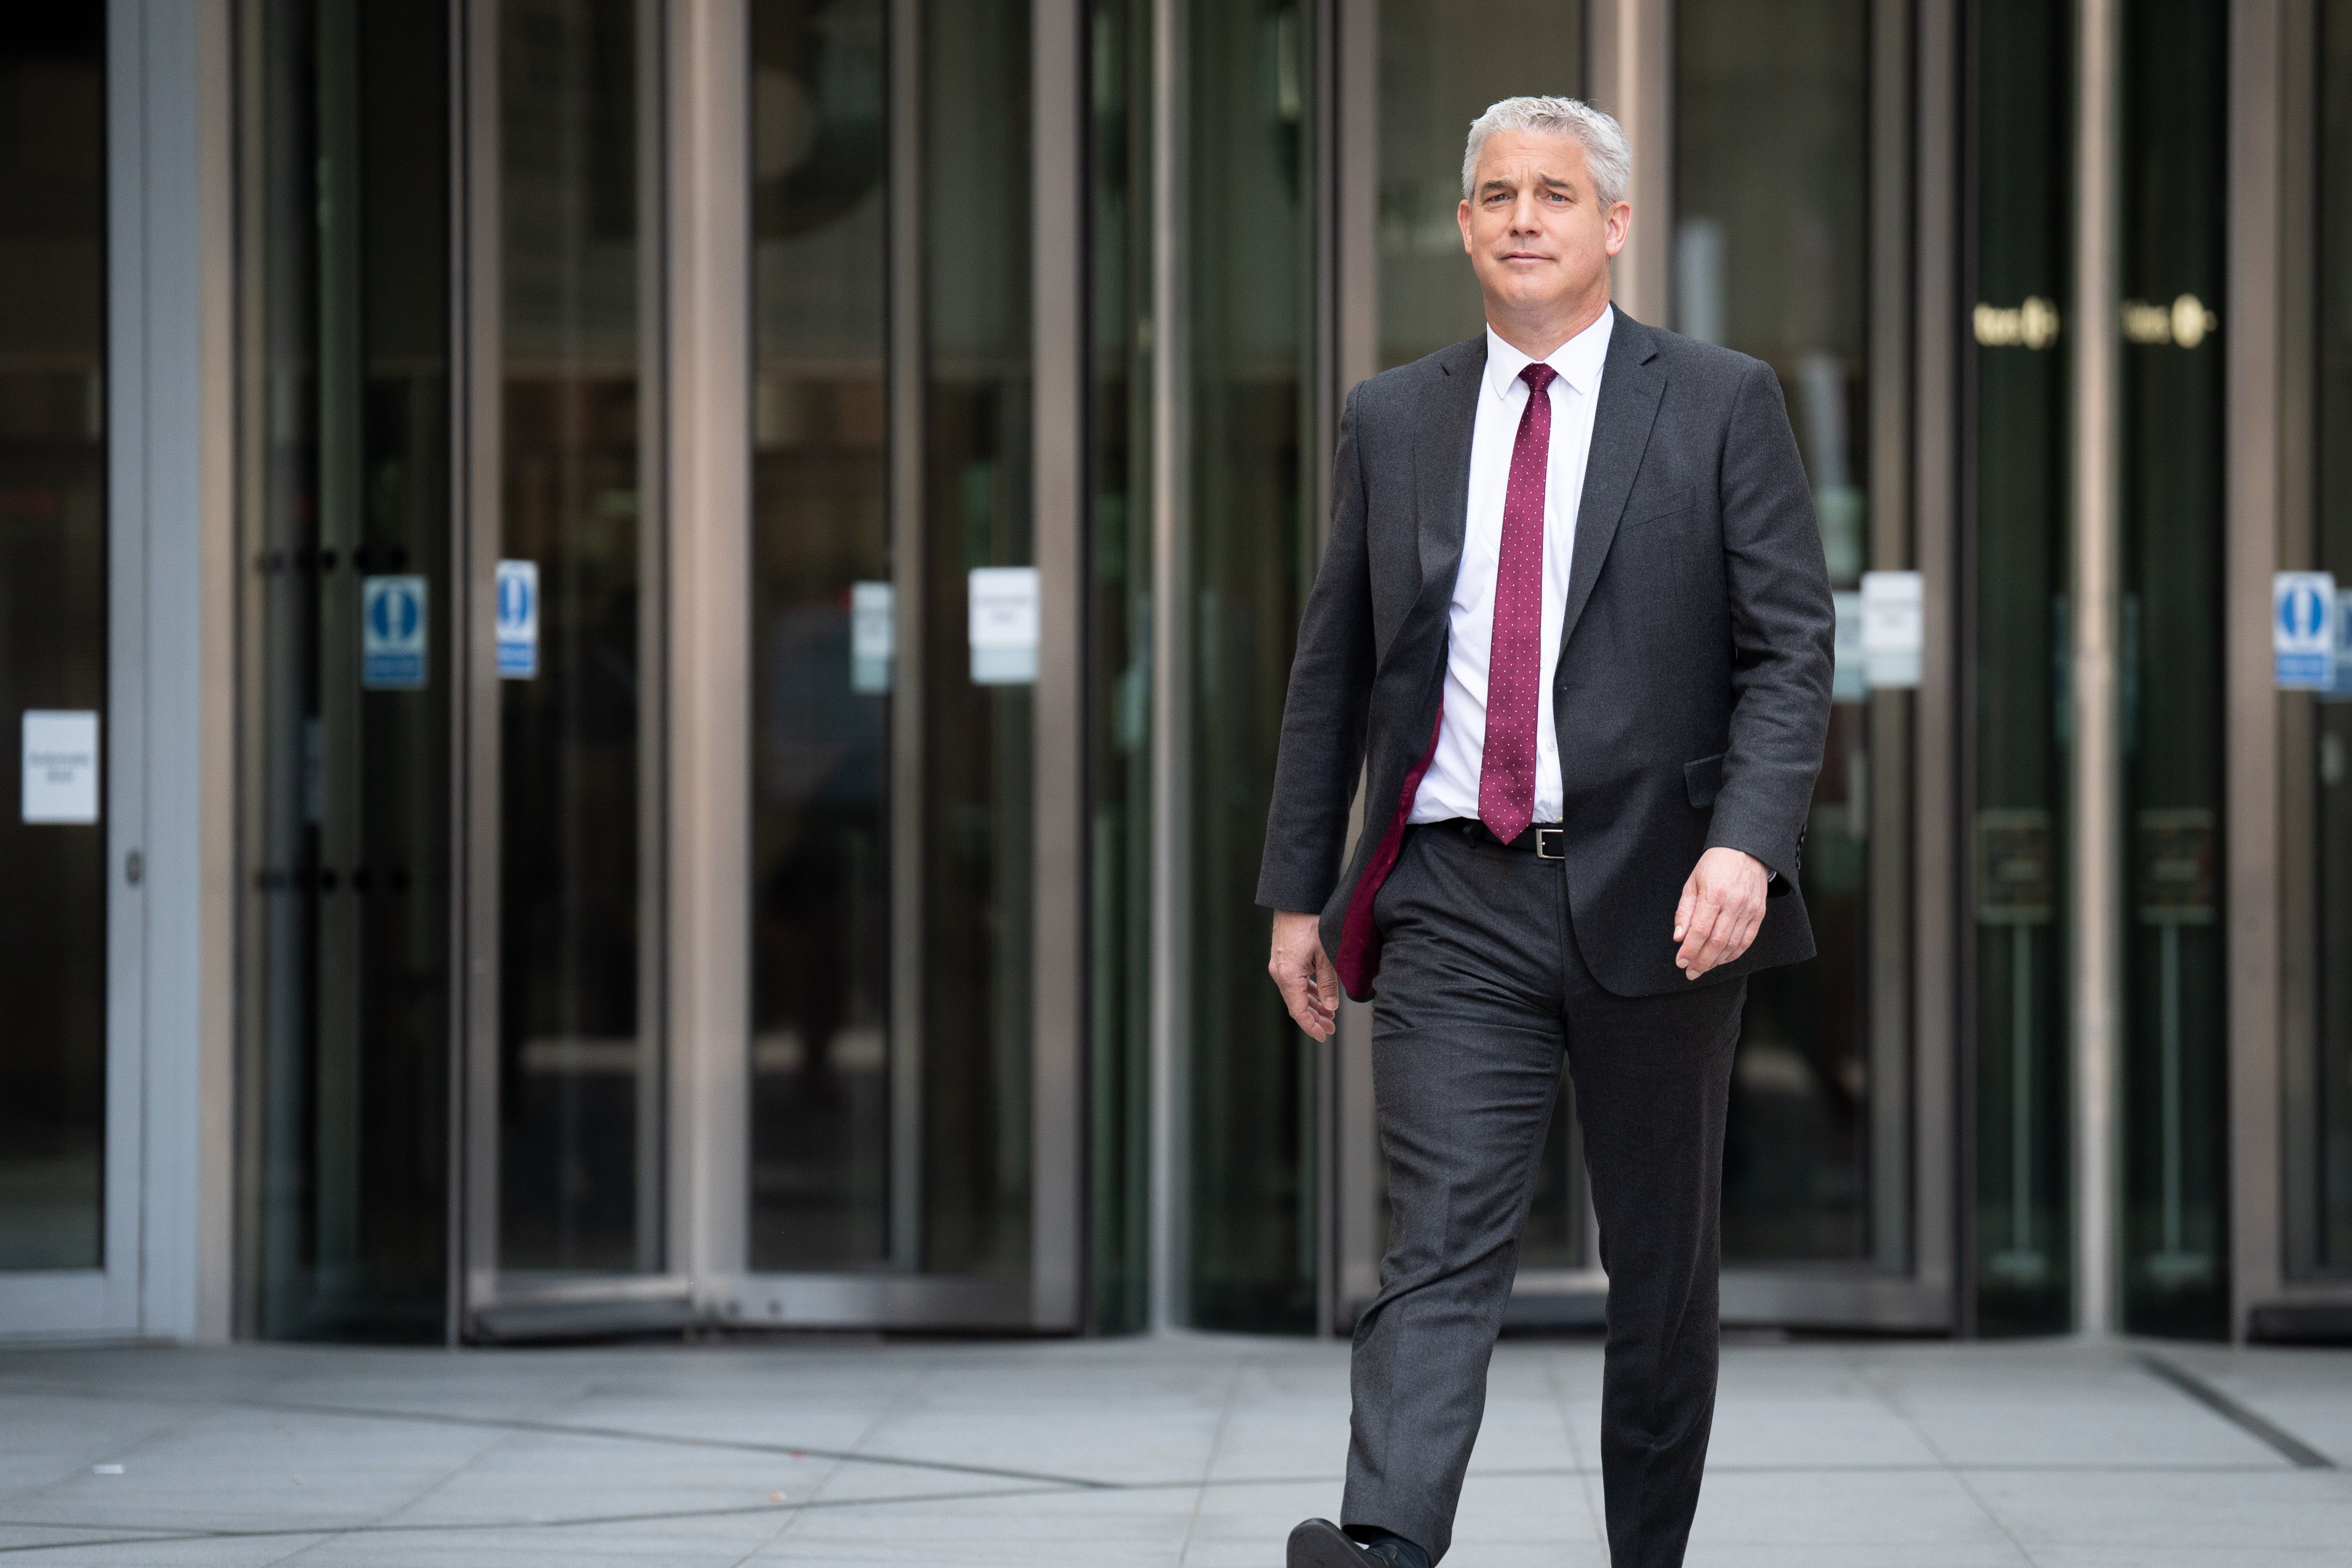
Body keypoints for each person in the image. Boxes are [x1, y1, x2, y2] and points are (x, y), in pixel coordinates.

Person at [1260, 96, 1834, 1568]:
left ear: (1614, 225)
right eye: (1497, 193)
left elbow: (1790, 647)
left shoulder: (1716, 400)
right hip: (1454, 890)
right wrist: (1292, 898)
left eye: (1556, 194)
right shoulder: (1390, 418)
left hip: (1665, 895)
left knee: (1655, 1276)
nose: (1524, 216)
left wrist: (1746, 844)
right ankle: (1385, 1545)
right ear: (1460, 225)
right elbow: (1333, 666)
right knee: (1438, 1247)